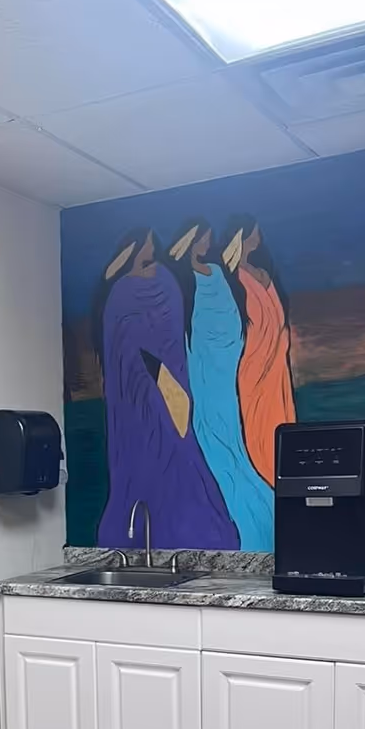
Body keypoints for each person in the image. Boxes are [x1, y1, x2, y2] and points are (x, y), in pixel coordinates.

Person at [93, 229, 238, 549]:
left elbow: (170, 334)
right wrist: (154, 374)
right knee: (157, 454)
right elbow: (122, 346)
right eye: (146, 241)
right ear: (133, 246)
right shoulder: (123, 292)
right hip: (140, 389)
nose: (152, 245)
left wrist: (167, 378)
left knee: (179, 450)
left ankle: (195, 530)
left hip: (165, 380)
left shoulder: (162, 279)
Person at [169, 221, 273, 550]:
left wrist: (232, 345)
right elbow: (185, 326)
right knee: (210, 435)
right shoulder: (180, 280)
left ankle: (258, 516)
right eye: (204, 237)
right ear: (192, 239)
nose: (209, 242)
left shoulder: (215, 270)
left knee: (229, 436)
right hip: (199, 365)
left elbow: (228, 314)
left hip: (224, 366)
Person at [222, 216, 296, 486]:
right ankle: (263, 479)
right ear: (243, 235)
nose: (259, 235)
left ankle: (281, 479)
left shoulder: (260, 272)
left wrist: (280, 341)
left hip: (275, 362)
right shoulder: (230, 278)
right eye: (255, 231)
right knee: (256, 424)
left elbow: (275, 315)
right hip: (253, 365)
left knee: (278, 420)